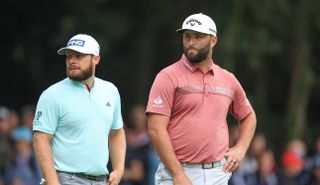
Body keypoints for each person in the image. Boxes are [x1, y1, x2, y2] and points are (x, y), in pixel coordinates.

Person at [146, 13, 257, 185]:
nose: (191, 42)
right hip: (176, 172)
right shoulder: (167, 76)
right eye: (187, 36)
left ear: (213, 41)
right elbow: (156, 129)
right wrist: (177, 174)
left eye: (198, 37)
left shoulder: (228, 79)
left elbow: (248, 116)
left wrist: (240, 149)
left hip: (217, 173)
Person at [32, 33, 126, 185]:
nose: (72, 61)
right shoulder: (52, 95)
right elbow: (40, 141)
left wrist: (119, 169)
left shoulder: (110, 91)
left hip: (102, 180)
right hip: (65, 178)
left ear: (96, 59)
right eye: (69, 56)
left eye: (79, 56)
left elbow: (116, 133)